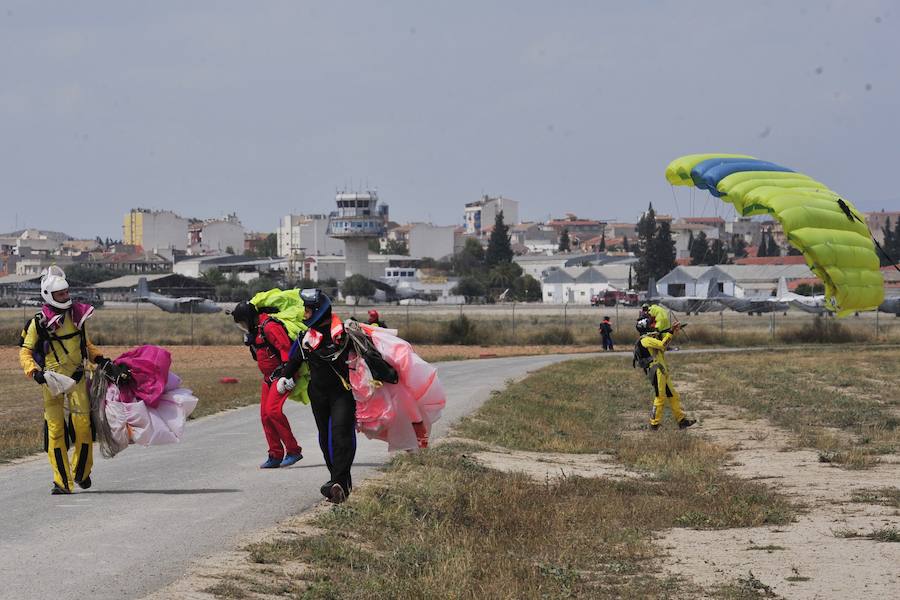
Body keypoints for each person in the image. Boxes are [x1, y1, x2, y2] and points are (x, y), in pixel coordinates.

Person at [18, 266, 128, 494]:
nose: (65, 297)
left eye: (66, 293)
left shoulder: (77, 316)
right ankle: (62, 481)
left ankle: (81, 472)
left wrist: (102, 359)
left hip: (77, 378)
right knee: (56, 431)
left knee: (84, 427)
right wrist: (34, 372)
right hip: (51, 382)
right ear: (49, 295)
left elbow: (85, 346)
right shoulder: (38, 323)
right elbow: (25, 352)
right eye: (60, 295)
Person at [279, 289, 356, 504]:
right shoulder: (306, 337)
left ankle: (338, 481)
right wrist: (284, 378)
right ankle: (338, 482)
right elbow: (294, 360)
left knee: (341, 436)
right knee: (325, 439)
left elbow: (368, 355)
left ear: (318, 311)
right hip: (319, 394)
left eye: (307, 310)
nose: (304, 314)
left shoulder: (344, 333)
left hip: (342, 393)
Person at [231, 301, 303, 469]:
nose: (243, 326)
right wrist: (251, 345)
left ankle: (293, 450)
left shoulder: (270, 327)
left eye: (243, 322)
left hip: (283, 375)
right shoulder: (256, 331)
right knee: (265, 416)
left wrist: (287, 376)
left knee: (273, 412)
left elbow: (287, 351)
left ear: (249, 318)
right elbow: (260, 357)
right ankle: (275, 454)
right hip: (268, 378)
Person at [636, 317, 696, 431]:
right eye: (651, 325)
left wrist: (671, 332)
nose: (654, 326)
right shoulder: (645, 340)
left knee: (673, 395)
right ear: (645, 327)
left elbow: (663, 347)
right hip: (657, 371)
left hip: (662, 370)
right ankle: (654, 424)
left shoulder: (651, 338)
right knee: (660, 397)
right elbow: (663, 345)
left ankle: (681, 420)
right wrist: (671, 332)